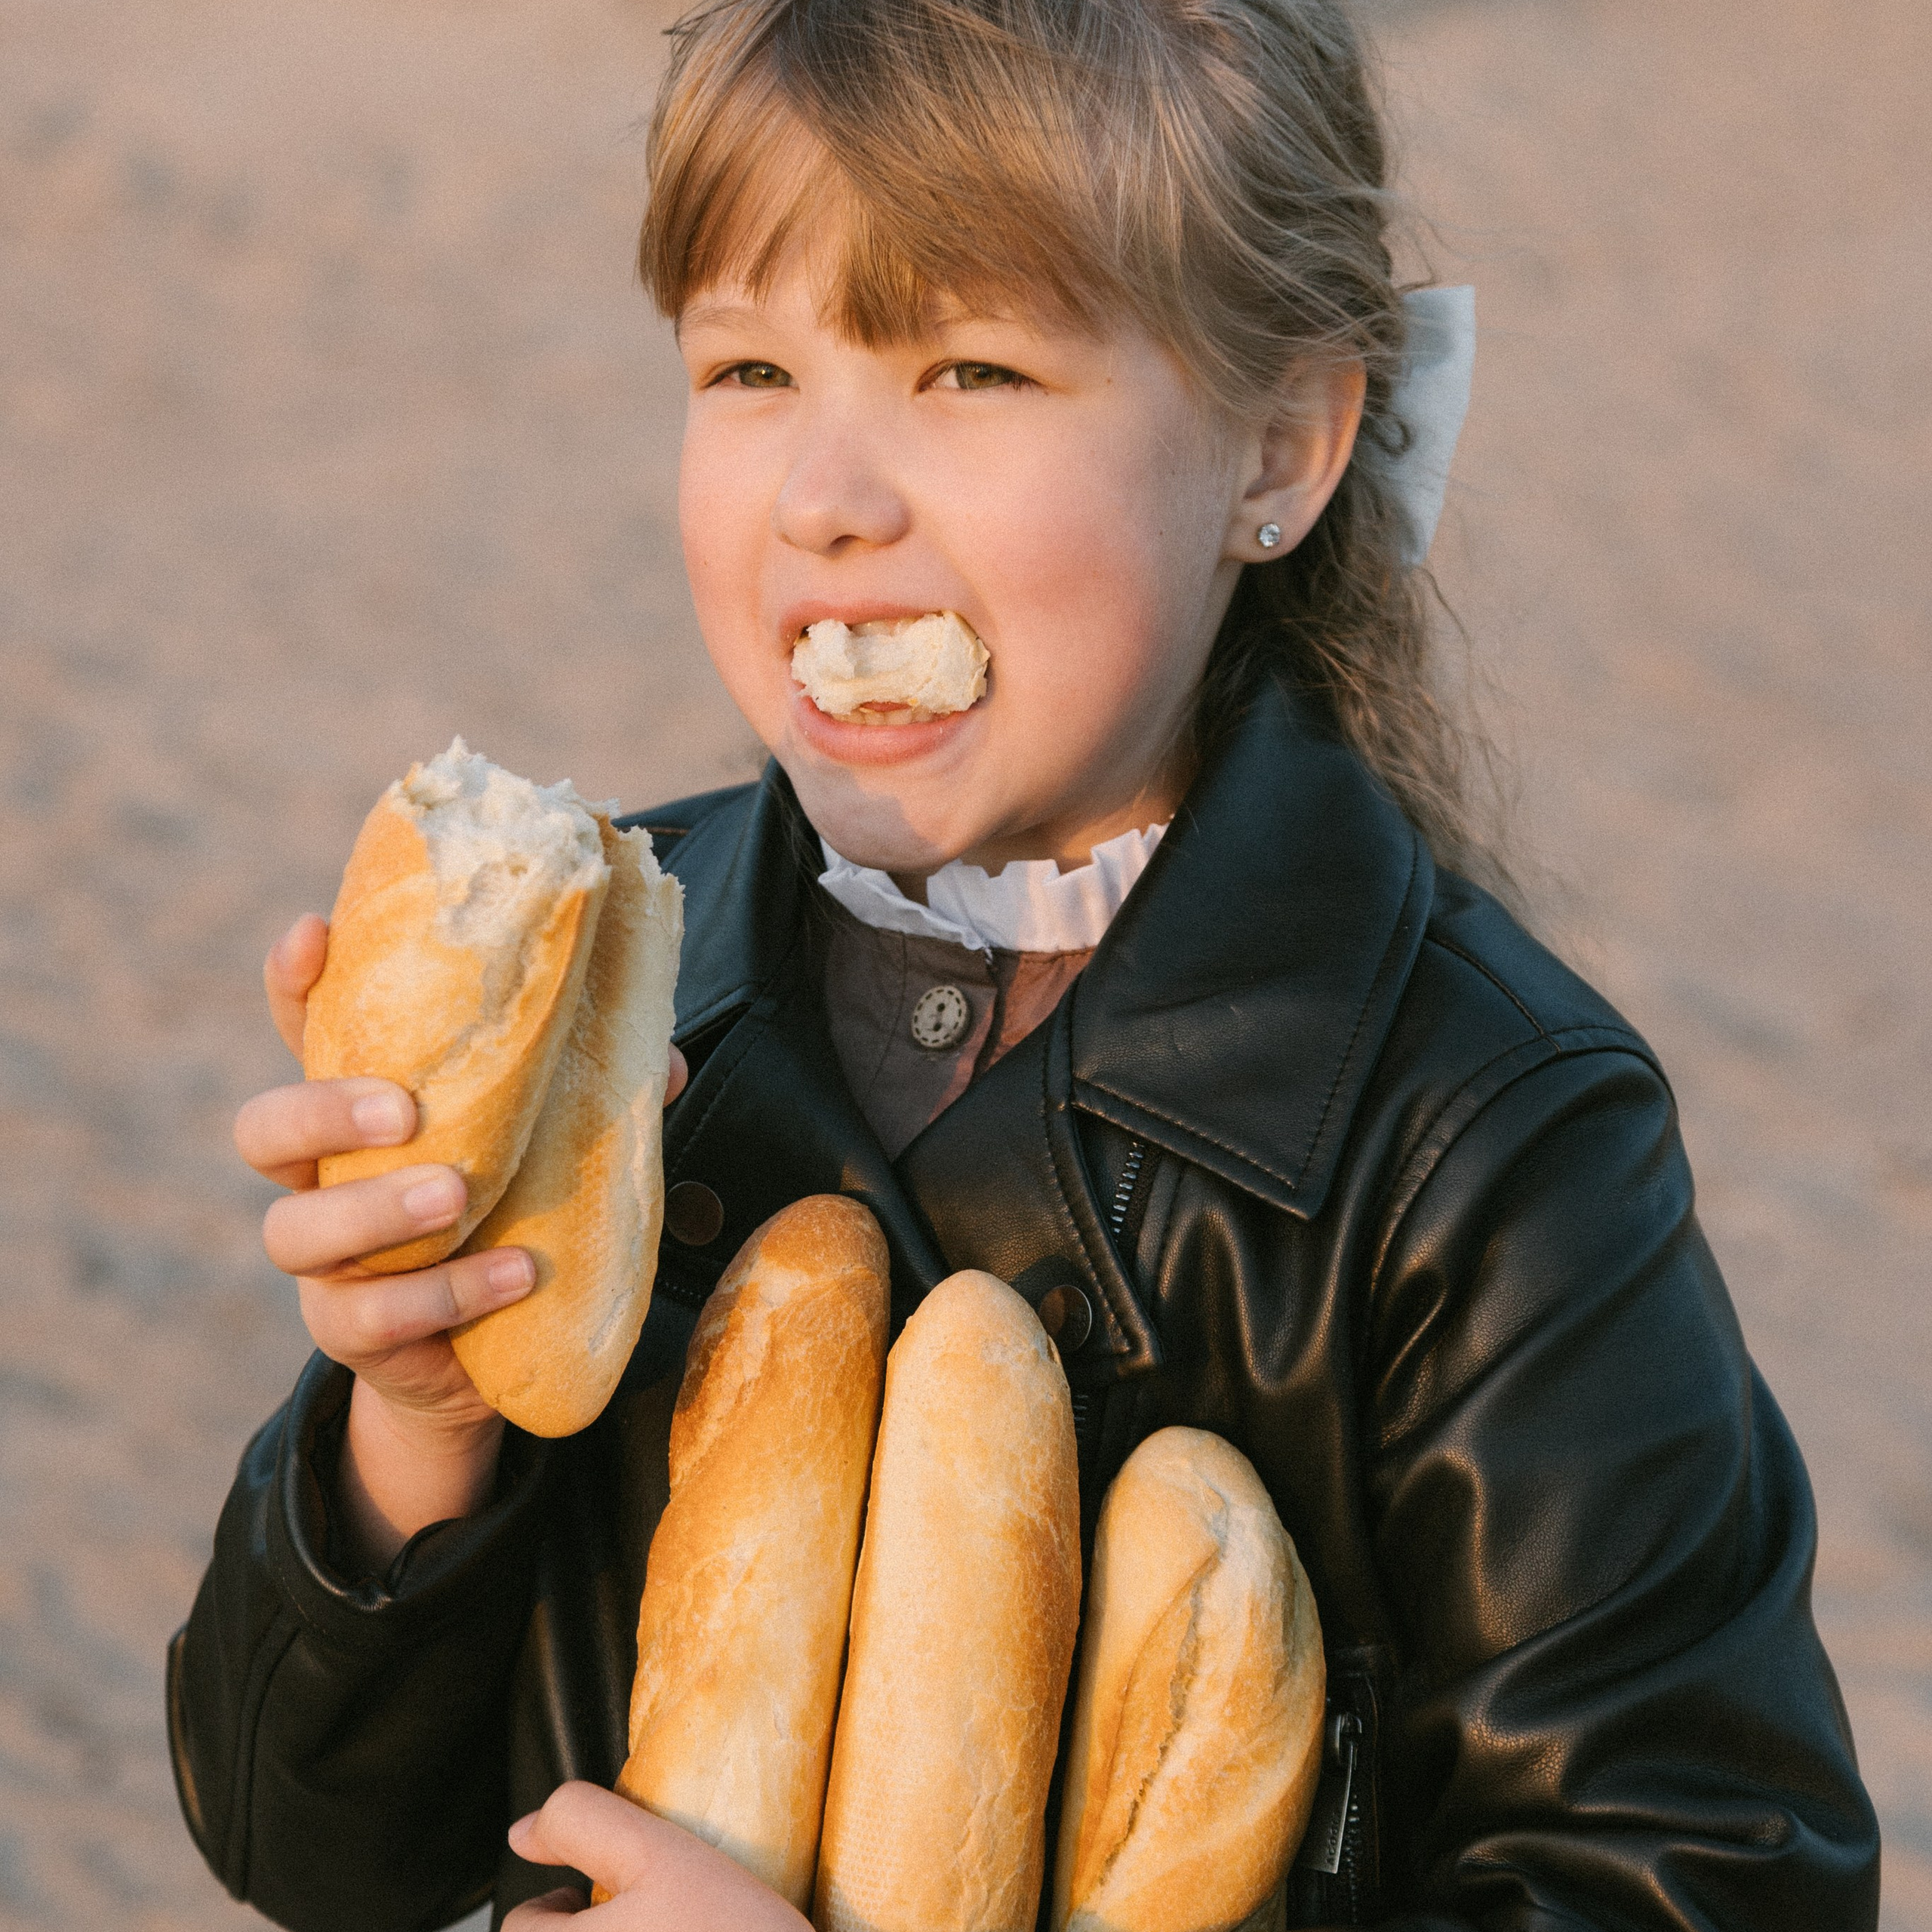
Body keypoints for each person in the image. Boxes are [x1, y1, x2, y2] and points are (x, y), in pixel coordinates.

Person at [167, 0, 1881, 1925]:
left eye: (968, 369)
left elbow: (1701, 1878)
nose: (825, 492)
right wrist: (416, 1427)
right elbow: (302, 1841)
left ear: (1279, 446)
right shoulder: (613, 1013)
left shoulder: (1481, 1144)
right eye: (745, 364)